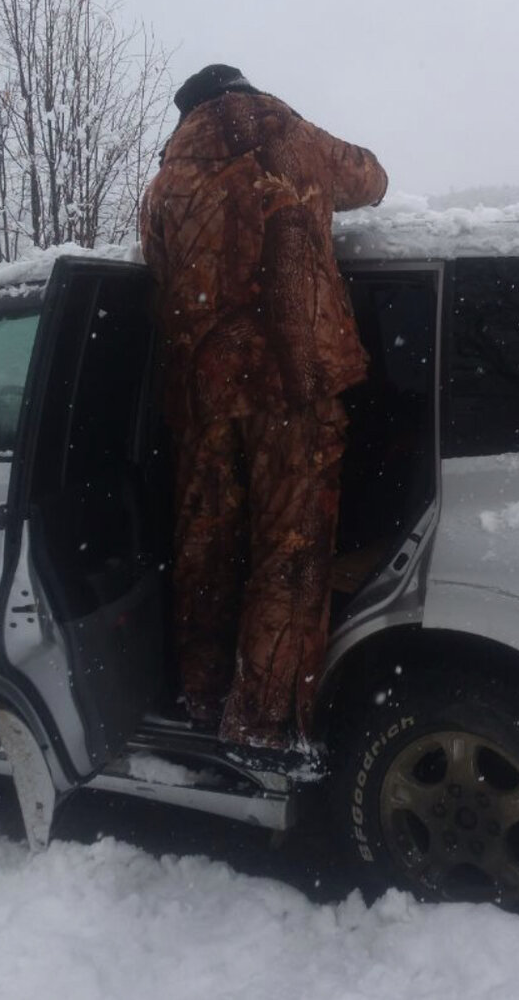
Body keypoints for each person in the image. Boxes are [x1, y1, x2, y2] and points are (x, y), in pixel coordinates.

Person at [139, 64, 387, 750]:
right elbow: (372, 178)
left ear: (187, 115)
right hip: (293, 385)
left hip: (205, 396)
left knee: (208, 549)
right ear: (244, 92)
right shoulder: (295, 141)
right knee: (291, 555)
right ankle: (263, 723)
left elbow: (158, 274)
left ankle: (201, 697)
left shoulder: (164, 187)